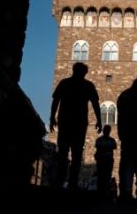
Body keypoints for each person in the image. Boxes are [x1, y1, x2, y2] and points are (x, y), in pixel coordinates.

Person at [49, 62, 101, 190]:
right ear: (84, 73)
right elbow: (95, 104)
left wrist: (52, 117)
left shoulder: (64, 83)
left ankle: (61, 180)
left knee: (64, 151)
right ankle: (72, 181)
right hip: (78, 122)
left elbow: (56, 101)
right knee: (76, 152)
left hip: (66, 121)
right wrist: (99, 120)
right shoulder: (88, 85)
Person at [94, 125, 117, 199]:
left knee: (107, 177)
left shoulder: (111, 140)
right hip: (101, 161)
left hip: (108, 161)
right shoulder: (99, 140)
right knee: (101, 177)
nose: (106, 131)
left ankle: (106, 194)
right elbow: (99, 146)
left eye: (108, 130)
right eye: (105, 130)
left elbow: (114, 146)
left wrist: (104, 147)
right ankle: (100, 193)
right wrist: (107, 146)